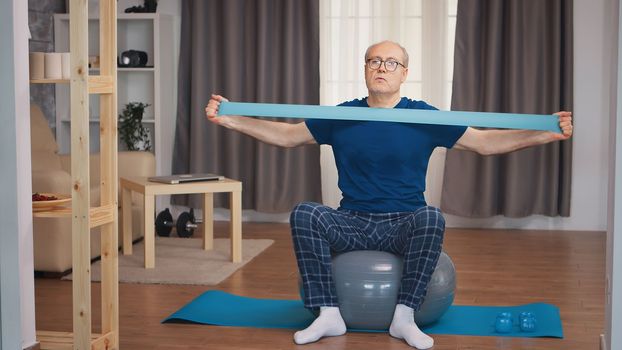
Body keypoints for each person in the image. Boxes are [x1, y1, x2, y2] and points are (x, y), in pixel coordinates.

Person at [204, 40, 573, 349]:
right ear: (365, 69)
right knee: (305, 212)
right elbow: (286, 136)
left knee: (432, 216)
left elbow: (485, 143)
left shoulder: (425, 117)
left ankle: (404, 316)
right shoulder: (342, 115)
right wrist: (229, 118)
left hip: (404, 223)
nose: (383, 67)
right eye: (375, 61)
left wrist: (545, 133)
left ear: (404, 73)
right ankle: (328, 313)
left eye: (391, 62)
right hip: (351, 221)